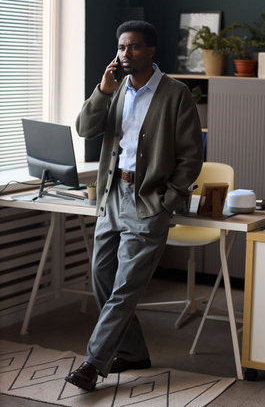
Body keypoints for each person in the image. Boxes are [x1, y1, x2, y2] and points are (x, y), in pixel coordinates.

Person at [65, 20, 203, 391]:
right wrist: (102, 91)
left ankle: (93, 364)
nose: (126, 54)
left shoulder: (176, 94)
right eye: (122, 47)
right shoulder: (117, 89)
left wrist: (168, 201)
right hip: (111, 197)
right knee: (102, 277)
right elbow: (84, 128)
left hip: (148, 202)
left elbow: (191, 156)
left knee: (125, 286)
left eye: (135, 47)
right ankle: (134, 351)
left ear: (151, 51)